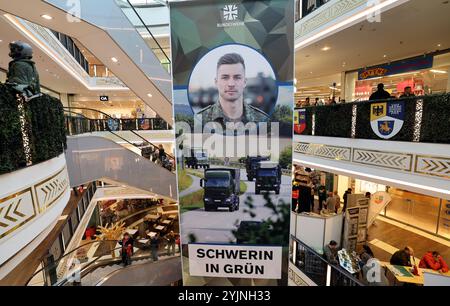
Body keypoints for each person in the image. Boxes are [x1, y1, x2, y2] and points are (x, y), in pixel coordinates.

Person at [197, 53, 269, 127]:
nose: (231, 84)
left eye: (237, 77)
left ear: (244, 82)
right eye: (225, 77)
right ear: (216, 82)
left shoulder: (263, 120)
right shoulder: (199, 120)